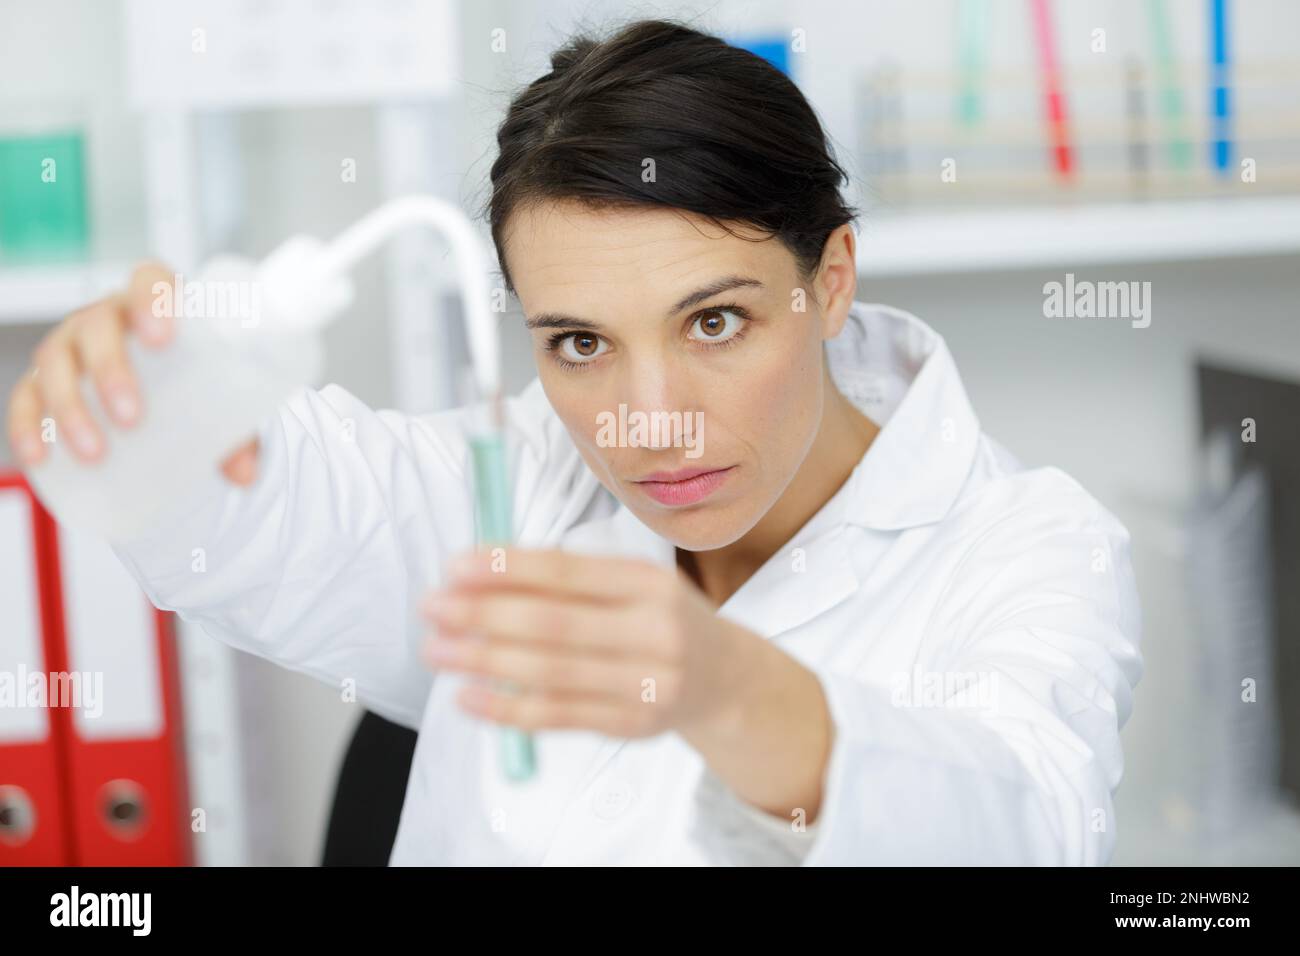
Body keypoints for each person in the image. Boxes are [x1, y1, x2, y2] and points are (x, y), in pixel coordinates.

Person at [5, 19, 1142, 865]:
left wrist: (724, 685)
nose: (648, 418)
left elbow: (1025, 822)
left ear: (828, 279)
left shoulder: (1029, 544)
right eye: (580, 342)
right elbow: (260, 509)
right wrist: (135, 402)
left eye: (714, 321)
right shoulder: (511, 480)